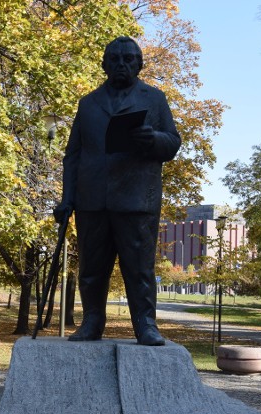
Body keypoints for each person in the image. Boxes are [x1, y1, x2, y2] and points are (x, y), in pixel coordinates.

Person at [54, 36, 181, 346]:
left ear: (139, 65)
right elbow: (73, 155)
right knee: (91, 268)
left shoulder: (154, 99)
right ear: (104, 64)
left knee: (139, 269)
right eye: (115, 59)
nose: (121, 64)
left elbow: (172, 143)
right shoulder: (88, 103)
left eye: (128, 59)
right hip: (91, 200)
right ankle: (92, 321)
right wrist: (67, 198)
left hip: (136, 199)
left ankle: (145, 324)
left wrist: (151, 138)